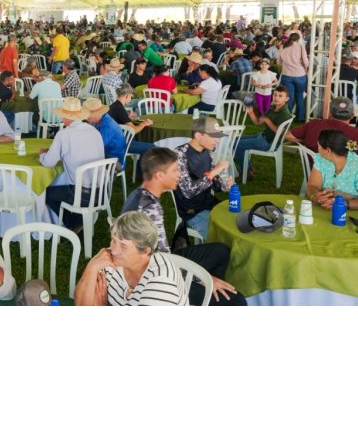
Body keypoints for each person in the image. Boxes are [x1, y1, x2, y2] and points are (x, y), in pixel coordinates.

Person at [121, 147, 246, 306]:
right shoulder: (148, 209)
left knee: (220, 252)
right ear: (159, 175)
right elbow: (160, 264)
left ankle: (210, 298)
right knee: (236, 300)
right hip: (154, 282)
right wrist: (204, 279)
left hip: (160, 262)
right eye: (175, 171)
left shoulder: (143, 196)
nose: (179, 175)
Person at [74, 212, 188, 306]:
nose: (113, 250)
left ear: (145, 252)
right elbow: (80, 305)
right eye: (113, 240)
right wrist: (92, 267)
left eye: (123, 246)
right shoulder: (109, 259)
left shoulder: (162, 283)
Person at [40, 98, 105, 230]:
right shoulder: (94, 131)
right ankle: (78, 220)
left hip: (80, 194)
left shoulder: (64, 134)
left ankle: (72, 224)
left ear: (65, 117)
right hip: (101, 190)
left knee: (45, 194)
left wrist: (42, 154)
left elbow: (48, 163)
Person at [173, 116, 234, 240]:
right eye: (213, 136)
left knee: (236, 225)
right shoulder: (179, 154)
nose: (217, 140)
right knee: (221, 238)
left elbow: (214, 183)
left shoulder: (207, 151)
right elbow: (188, 192)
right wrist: (214, 172)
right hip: (192, 211)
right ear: (198, 135)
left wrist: (225, 186)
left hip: (209, 204)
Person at [286, 96, 358, 168]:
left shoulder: (313, 124)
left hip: (313, 174)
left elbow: (289, 136)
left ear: (330, 113)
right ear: (352, 116)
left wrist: (306, 140)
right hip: (344, 181)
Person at [307, 129, 358, 211]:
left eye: (318, 146)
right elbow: (312, 186)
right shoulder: (321, 159)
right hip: (327, 210)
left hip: (357, 214)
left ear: (328, 151)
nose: (317, 148)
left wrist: (344, 204)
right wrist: (315, 196)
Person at [234, 86, 293, 177]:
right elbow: (258, 122)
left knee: (237, 145)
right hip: (263, 136)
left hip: (269, 143)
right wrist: (251, 113)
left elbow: (281, 132)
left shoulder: (285, 114)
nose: (276, 98)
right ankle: (248, 169)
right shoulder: (272, 108)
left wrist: (267, 120)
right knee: (235, 140)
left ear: (287, 99)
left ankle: (247, 171)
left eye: (280, 96)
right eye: (275, 95)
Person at [83, 97, 127, 170]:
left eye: (88, 117)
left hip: (115, 161)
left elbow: (97, 148)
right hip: (106, 154)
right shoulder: (100, 120)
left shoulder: (107, 126)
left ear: (96, 115)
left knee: (83, 159)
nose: (86, 118)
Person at [277, 31, 309, 121]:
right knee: (299, 96)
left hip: (286, 74)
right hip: (300, 75)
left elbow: (278, 62)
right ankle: (300, 117)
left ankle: (287, 118)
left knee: (288, 97)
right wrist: (306, 68)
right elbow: (306, 62)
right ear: (298, 39)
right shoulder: (300, 47)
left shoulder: (283, 46)